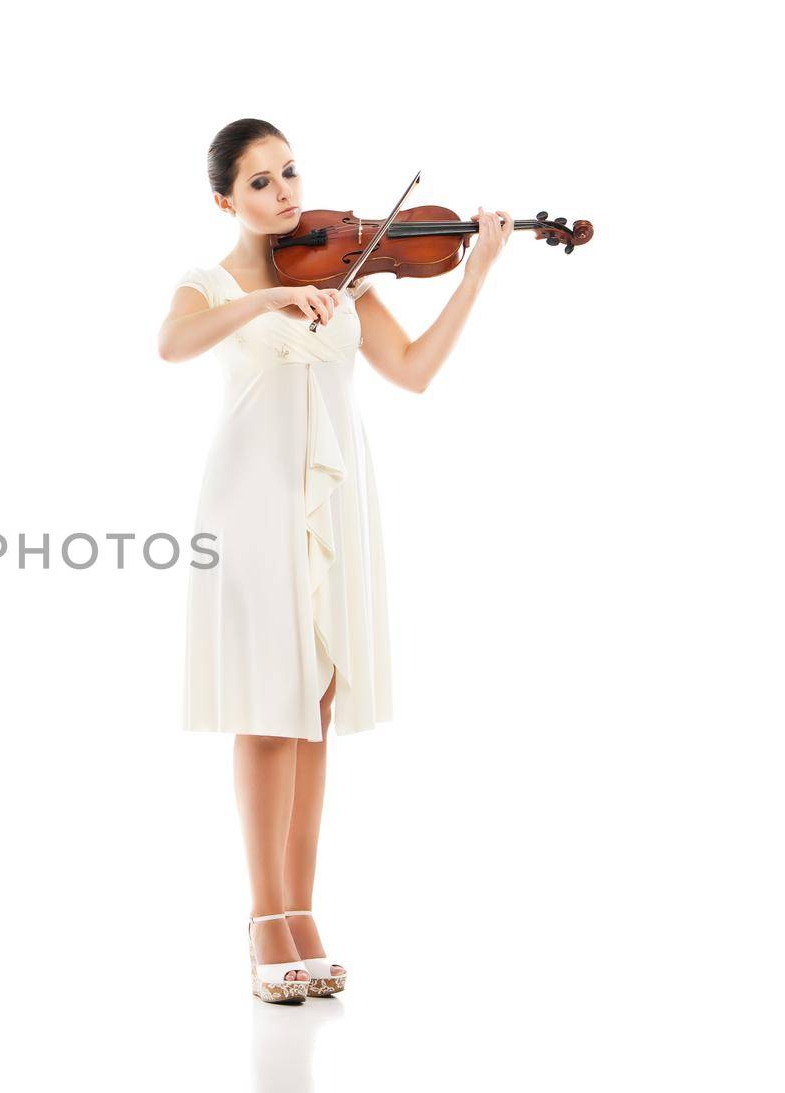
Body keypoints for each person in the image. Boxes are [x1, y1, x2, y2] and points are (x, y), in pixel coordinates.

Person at [156, 118, 512, 1004]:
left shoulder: (343, 269)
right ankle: (264, 916)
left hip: (334, 501)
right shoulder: (213, 284)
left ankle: (302, 910)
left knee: (314, 703)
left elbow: (415, 371)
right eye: (261, 183)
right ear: (225, 200)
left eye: (290, 174)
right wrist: (266, 302)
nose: (285, 195)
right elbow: (173, 344)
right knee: (265, 702)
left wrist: (474, 277)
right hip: (253, 501)